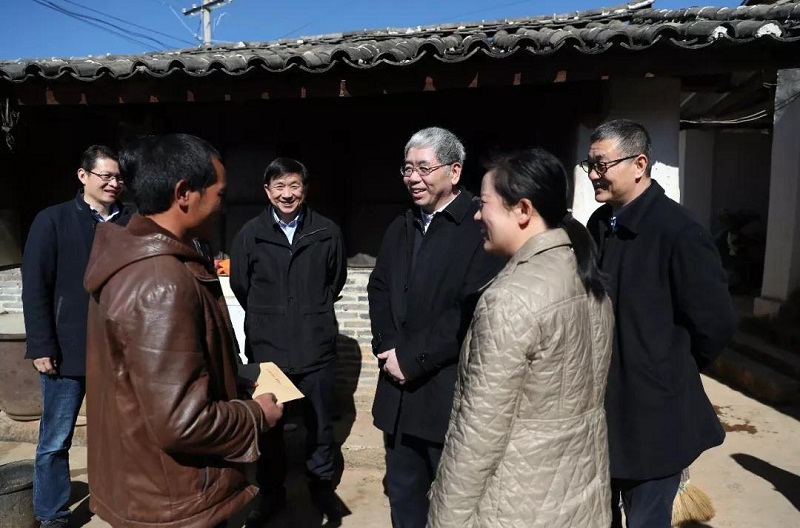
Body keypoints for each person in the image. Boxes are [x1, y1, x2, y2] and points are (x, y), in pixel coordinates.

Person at [83, 134, 284, 528]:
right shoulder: (162, 281)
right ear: (184, 193)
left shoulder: (138, 256)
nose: (223, 206)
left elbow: (152, 386)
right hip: (175, 500)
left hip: (152, 485)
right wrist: (256, 416)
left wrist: (229, 380)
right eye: (219, 194)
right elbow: (182, 422)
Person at [427, 147, 614, 527]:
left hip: (516, 505)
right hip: (581, 497)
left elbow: (478, 434)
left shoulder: (511, 299)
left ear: (523, 210)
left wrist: (444, 519)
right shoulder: (584, 275)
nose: (477, 215)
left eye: (484, 204)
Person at [583, 119, 737, 528]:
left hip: (654, 418)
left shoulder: (679, 231)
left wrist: (667, 366)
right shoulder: (598, 225)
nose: (593, 175)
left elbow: (716, 322)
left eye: (601, 164)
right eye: (589, 165)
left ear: (639, 164)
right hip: (603, 413)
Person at [368, 126, 505, 528]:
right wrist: (388, 346)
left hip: (447, 393)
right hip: (397, 393)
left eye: (424, 168)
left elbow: (470, 308)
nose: (413, 178)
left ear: (455, 171)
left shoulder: (478, 225)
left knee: (454, 508)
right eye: (407, 168)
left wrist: (412, 359)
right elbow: (379, 287)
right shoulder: (401, 226)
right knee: (404, 500)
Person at [230, 157, 347, 525]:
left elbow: (335, 281)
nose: (286, 194)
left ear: (304, 189)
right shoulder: (250, 233)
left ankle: (321, 488)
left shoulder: (326, 231)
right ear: (267, 191)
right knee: (270, 428)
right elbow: (241, 286)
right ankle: (271, 493)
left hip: (316, 346)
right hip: (269, 350)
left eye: (293, 185)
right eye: (278, 186)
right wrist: (273, 317)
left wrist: (309, 313)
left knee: (320, 425)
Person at [21, 145, 131, 528]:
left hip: (119, 350)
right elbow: (35, 287)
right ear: (83, 176)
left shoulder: (132, 222)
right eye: (105, 175)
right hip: (67, 349)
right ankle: (52, 515)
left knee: (120, 435)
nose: (113, 183)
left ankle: (117, 502)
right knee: (55, 439)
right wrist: (41, 345)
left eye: (118, 177)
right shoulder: (52, 220)